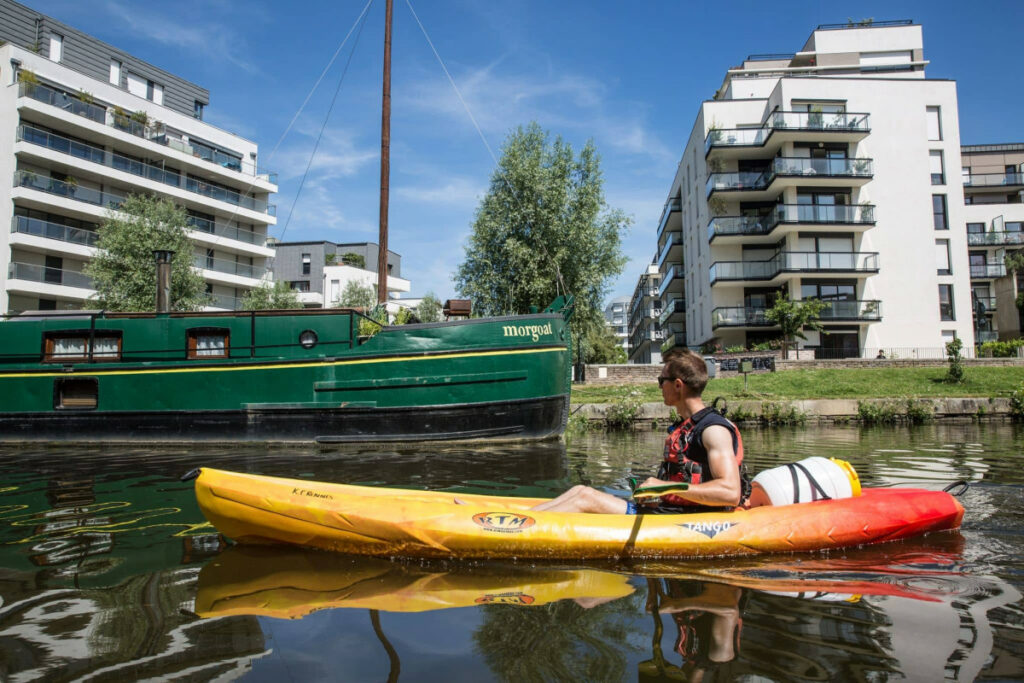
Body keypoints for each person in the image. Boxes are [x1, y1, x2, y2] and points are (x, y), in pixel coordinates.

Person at [532, 348, 749, 514]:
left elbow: (730, 493)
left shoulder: (713, 430)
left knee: (585, 498)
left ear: (677, 385)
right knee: (581, 490)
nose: (659, 386)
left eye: (661, 380)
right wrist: (655, 493)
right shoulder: (690, 424)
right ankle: (521, 518)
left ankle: (518, 530)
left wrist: (664, 488)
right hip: (669, 512)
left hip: (687, 521)